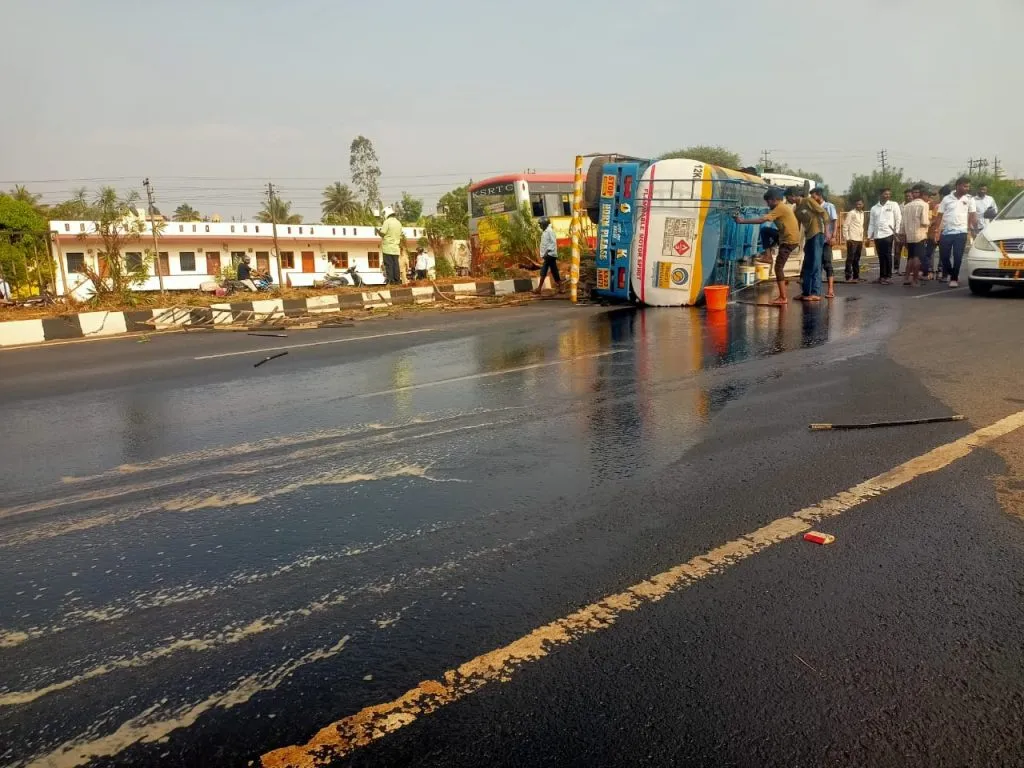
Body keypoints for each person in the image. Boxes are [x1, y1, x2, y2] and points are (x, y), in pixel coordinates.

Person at [734, 188, 801, 305]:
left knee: (778, 268)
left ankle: (783, 297)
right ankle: (768, 256)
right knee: (765, 230)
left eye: (768, 201)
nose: (767, 204)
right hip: (784, 236)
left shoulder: (780, 208)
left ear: (774, 200)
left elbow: (761, 220)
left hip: (789, 241)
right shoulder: (780, 207)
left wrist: (742, 221)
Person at [938, 177, 977, 288]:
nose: (967, 188)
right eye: (965, 186)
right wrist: (936, 230)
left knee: (958, 256)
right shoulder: (946, 199)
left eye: (968, 186)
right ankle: (952, 273)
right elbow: (939, 215)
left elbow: (973, 215)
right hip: (946, 232)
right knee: (944, 257)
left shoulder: (969, 199)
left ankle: (954, 278)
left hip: (961, 232)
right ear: (958, 186)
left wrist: (972, 229)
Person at [794, 188, 829, 300]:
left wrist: (827, 231)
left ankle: (816, 293)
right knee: (807, 264)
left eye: (788, 196)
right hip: (808, 236)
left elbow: (823, 213)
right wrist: (796, 239)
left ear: (794, 195)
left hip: (817, 234)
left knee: (815, 264)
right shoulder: (796, 209)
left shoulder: (808, 201)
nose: (788, 199)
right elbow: (797, 225)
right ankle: (806, 292)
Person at [868, 188, 902, 284]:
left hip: (888, 233)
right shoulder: (874, 208)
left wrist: (896, 232)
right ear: (880, 195)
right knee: (881, 256)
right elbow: (871, 223)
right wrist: (869, 236)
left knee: (887, 255)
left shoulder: (893, 205)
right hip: (877, 235)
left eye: (889, 194)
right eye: (885, 194)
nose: (887, 196)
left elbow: (898, 218)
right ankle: (882, 276)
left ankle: (888, 276)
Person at [901, 184, 930, 287]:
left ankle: (906, 278)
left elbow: (902, 223)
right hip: (919, 235)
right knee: (917, 258)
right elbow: (924, 222)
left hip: (909, 236)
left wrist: (903, 234)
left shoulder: (906, 206)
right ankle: (915, 280)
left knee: (911, 258)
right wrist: (931, 223)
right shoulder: (924, 205)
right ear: (922, 194)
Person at [534, 217, 563, 294]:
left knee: (544, 270)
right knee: (553, 271)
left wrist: (547, 252)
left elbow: (553, 242)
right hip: (548, 255)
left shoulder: (550, 231)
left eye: (541, 224)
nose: (540, 226)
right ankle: (560, 287)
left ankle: (539, 288)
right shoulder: (545, 232)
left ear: (544, 224)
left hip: (550, 255)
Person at [376, 206, 403, 285]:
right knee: (396, 264)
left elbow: (382, 233)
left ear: (386, 213)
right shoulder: (398, 223)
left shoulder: (387, 222)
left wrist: (377, 231)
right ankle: (397, 280)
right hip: (396, 248)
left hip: (387, 247)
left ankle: (390, 281)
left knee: (389, 264)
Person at [820, 191, 839, 298]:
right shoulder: (814, 207)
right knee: (816, 265)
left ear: (819, 196)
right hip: (816, 240)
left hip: (827, 240)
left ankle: (830, 290)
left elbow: (835, 221)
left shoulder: (829, 206)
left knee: (827, 263)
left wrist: (834, 236)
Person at [842, 198, 866, 282]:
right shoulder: (851, 213)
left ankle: (856, 276)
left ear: (863, 205)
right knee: (850, 258)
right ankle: (848, 276)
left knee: (857, 258)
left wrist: (863, 238)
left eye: (860, 204)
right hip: (852, 239)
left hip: (859, 239)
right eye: (857, 204)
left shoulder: (862, 213)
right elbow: (845, 226)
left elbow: (861, 227)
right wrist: (847, 238)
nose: (858, 206)